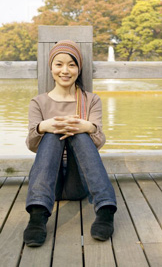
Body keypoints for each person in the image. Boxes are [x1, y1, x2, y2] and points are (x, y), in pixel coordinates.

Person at [23, 40, 117, 247]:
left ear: (78, 69)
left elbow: (98, 142)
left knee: (78, 131)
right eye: (59, 64)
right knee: (53, 131)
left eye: (71, 64)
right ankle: (37, 215)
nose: (65, 70)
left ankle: (105, 209)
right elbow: (31, 144)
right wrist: (42, 127)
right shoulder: (38, 102)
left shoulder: (91, 100)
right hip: (48, 183)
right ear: (51, 67)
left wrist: (88, 128)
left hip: (79, 182)